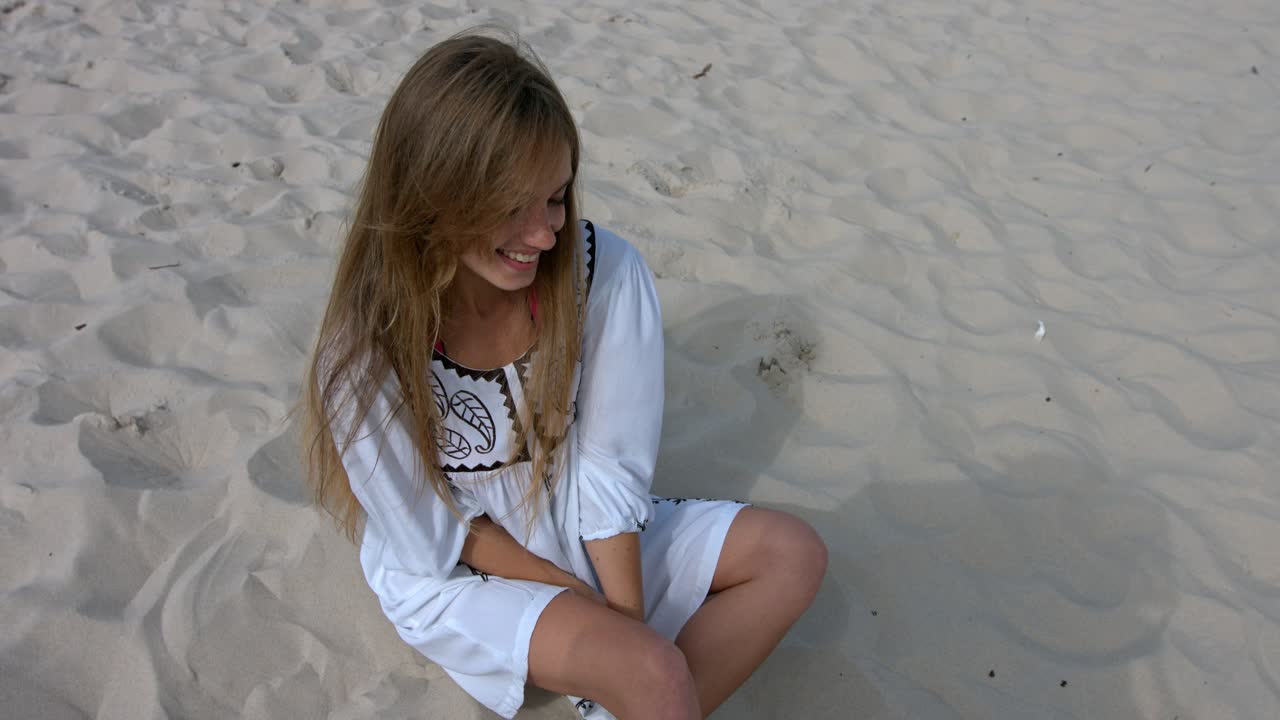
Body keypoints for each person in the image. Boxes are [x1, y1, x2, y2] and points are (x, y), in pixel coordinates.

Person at [299, 29, 827, 720]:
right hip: (465, 571)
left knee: (794, 556)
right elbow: (432, 531)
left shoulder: (602, 272)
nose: (544, 233)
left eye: (555, 197)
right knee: (656, 677)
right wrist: (573, 597)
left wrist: (624, 620)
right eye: (512, 205)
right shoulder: (365, 348)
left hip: (577, 523)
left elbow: (610, 468)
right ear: (436, 192)